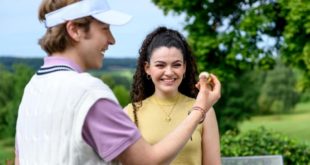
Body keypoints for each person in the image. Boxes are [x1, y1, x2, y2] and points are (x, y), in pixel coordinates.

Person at [14, 0, 221, 164]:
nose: (112, 40)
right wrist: (200, 108)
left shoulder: (32, 89)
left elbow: (19, 160)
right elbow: (148, 162)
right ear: (75, 30)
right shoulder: (88, 94)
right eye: (104, 29)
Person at [124, 27, 221, 165]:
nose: (169, 72)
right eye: (160, 65)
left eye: (176, 65)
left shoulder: (206, 111)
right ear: (147, 68)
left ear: (184, 68)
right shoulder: (130, 113)